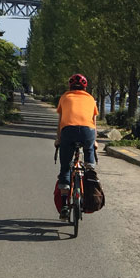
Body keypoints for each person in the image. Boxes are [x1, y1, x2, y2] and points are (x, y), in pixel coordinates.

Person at [55, 73, 98, 217]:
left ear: (70, 86)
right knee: (89, 161)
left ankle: (64, 205)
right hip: (88, 132)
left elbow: (61, 122)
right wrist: (94, 141)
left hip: (68, 131)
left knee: (66, 166)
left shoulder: (64, 97)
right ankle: (90, 173)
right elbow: (93, 122)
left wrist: (58, 139)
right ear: (85, 87)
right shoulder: (91, 99)